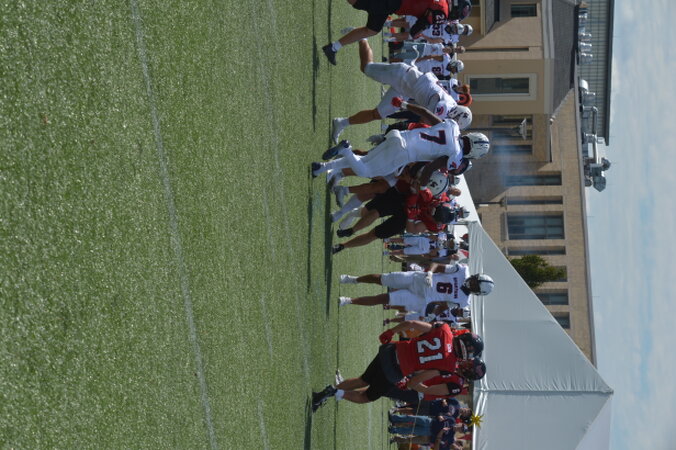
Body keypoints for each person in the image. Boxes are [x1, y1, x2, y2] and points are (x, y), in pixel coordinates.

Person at [311, 320, 478, 411]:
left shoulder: (445, 329)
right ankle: (334, 391)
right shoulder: (449, 366)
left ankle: (326, 393)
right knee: (366, 397)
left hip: (390, 350)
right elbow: (416, 381)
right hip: (395, 370)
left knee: (363, 380)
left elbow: (412, 323)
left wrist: (391, 331)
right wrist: (411, 385)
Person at [330, 39, 473, 142]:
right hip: (403, 76)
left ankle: (341, 123)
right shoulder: (446, 107)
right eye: (455, 121)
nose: (452, 122)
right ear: (456, 114)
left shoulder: (450, 105)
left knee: (378, 114)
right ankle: (362, 38)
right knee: (366, 68)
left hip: (406, 91)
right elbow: (424, 117)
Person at [322, 0, 450, 66]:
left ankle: (333, 48)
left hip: (390, 6)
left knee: (372, 29)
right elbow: (416, 29)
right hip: (392, 3)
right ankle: (333, 48)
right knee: (355, 2)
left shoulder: (441, 4)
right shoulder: (442, 10)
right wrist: (412, 34)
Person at [338, 263, 495, 312]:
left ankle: (349, 300)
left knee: (383, 299)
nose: (472, 282)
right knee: (381, 279)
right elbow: (436, 265)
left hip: (421, 298)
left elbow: (444, 305)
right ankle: (354, 280)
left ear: (477, 292)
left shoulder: (464, 301)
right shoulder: (462, 270)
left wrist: (433, 313)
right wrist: (430, 273)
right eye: (475, 279)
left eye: (475, 285)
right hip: (419, 279)